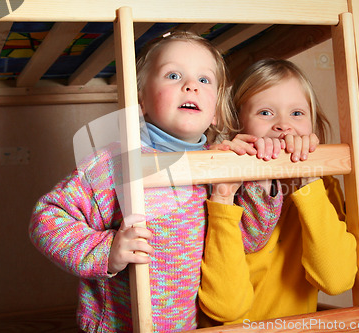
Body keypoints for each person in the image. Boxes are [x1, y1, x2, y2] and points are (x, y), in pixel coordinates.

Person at [28, 31, 242, 332]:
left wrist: (258, 171)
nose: (191, 85)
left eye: (204, 80)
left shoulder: (220, 164)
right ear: (140, 100)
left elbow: (250, 239)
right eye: (173, 75)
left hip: (196, 324)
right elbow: (46, 220)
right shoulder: (112, 164)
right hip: (120, 324)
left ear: (217, 111)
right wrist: (108, 250)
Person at [198, 59, 358, 326]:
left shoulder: (322, 184)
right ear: (239, 124)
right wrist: (224, 196)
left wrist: (308, 181)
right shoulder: (222, 184)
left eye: (297, 114)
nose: (284, 126)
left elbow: (336, 280)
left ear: (313, 124)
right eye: (265, 113)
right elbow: (225, 309)